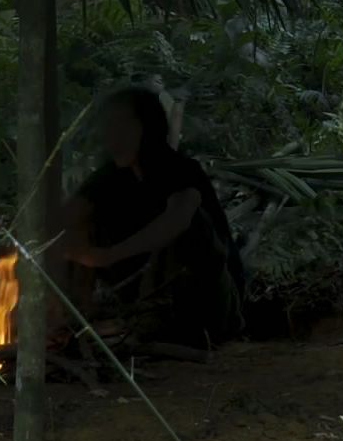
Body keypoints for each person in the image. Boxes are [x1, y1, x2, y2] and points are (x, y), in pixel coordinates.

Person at [57, 86, 246, 350]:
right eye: (109, 127)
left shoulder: (181, 170)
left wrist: (106, 256)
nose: (112, 136)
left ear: (148, 127)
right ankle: (71, 322)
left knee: (194, 225)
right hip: (143, 306)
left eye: (122, 126)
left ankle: (153, 322)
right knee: (78, 229)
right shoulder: (110, 177)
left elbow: (178, 220)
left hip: (210, 308)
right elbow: (66, 217)